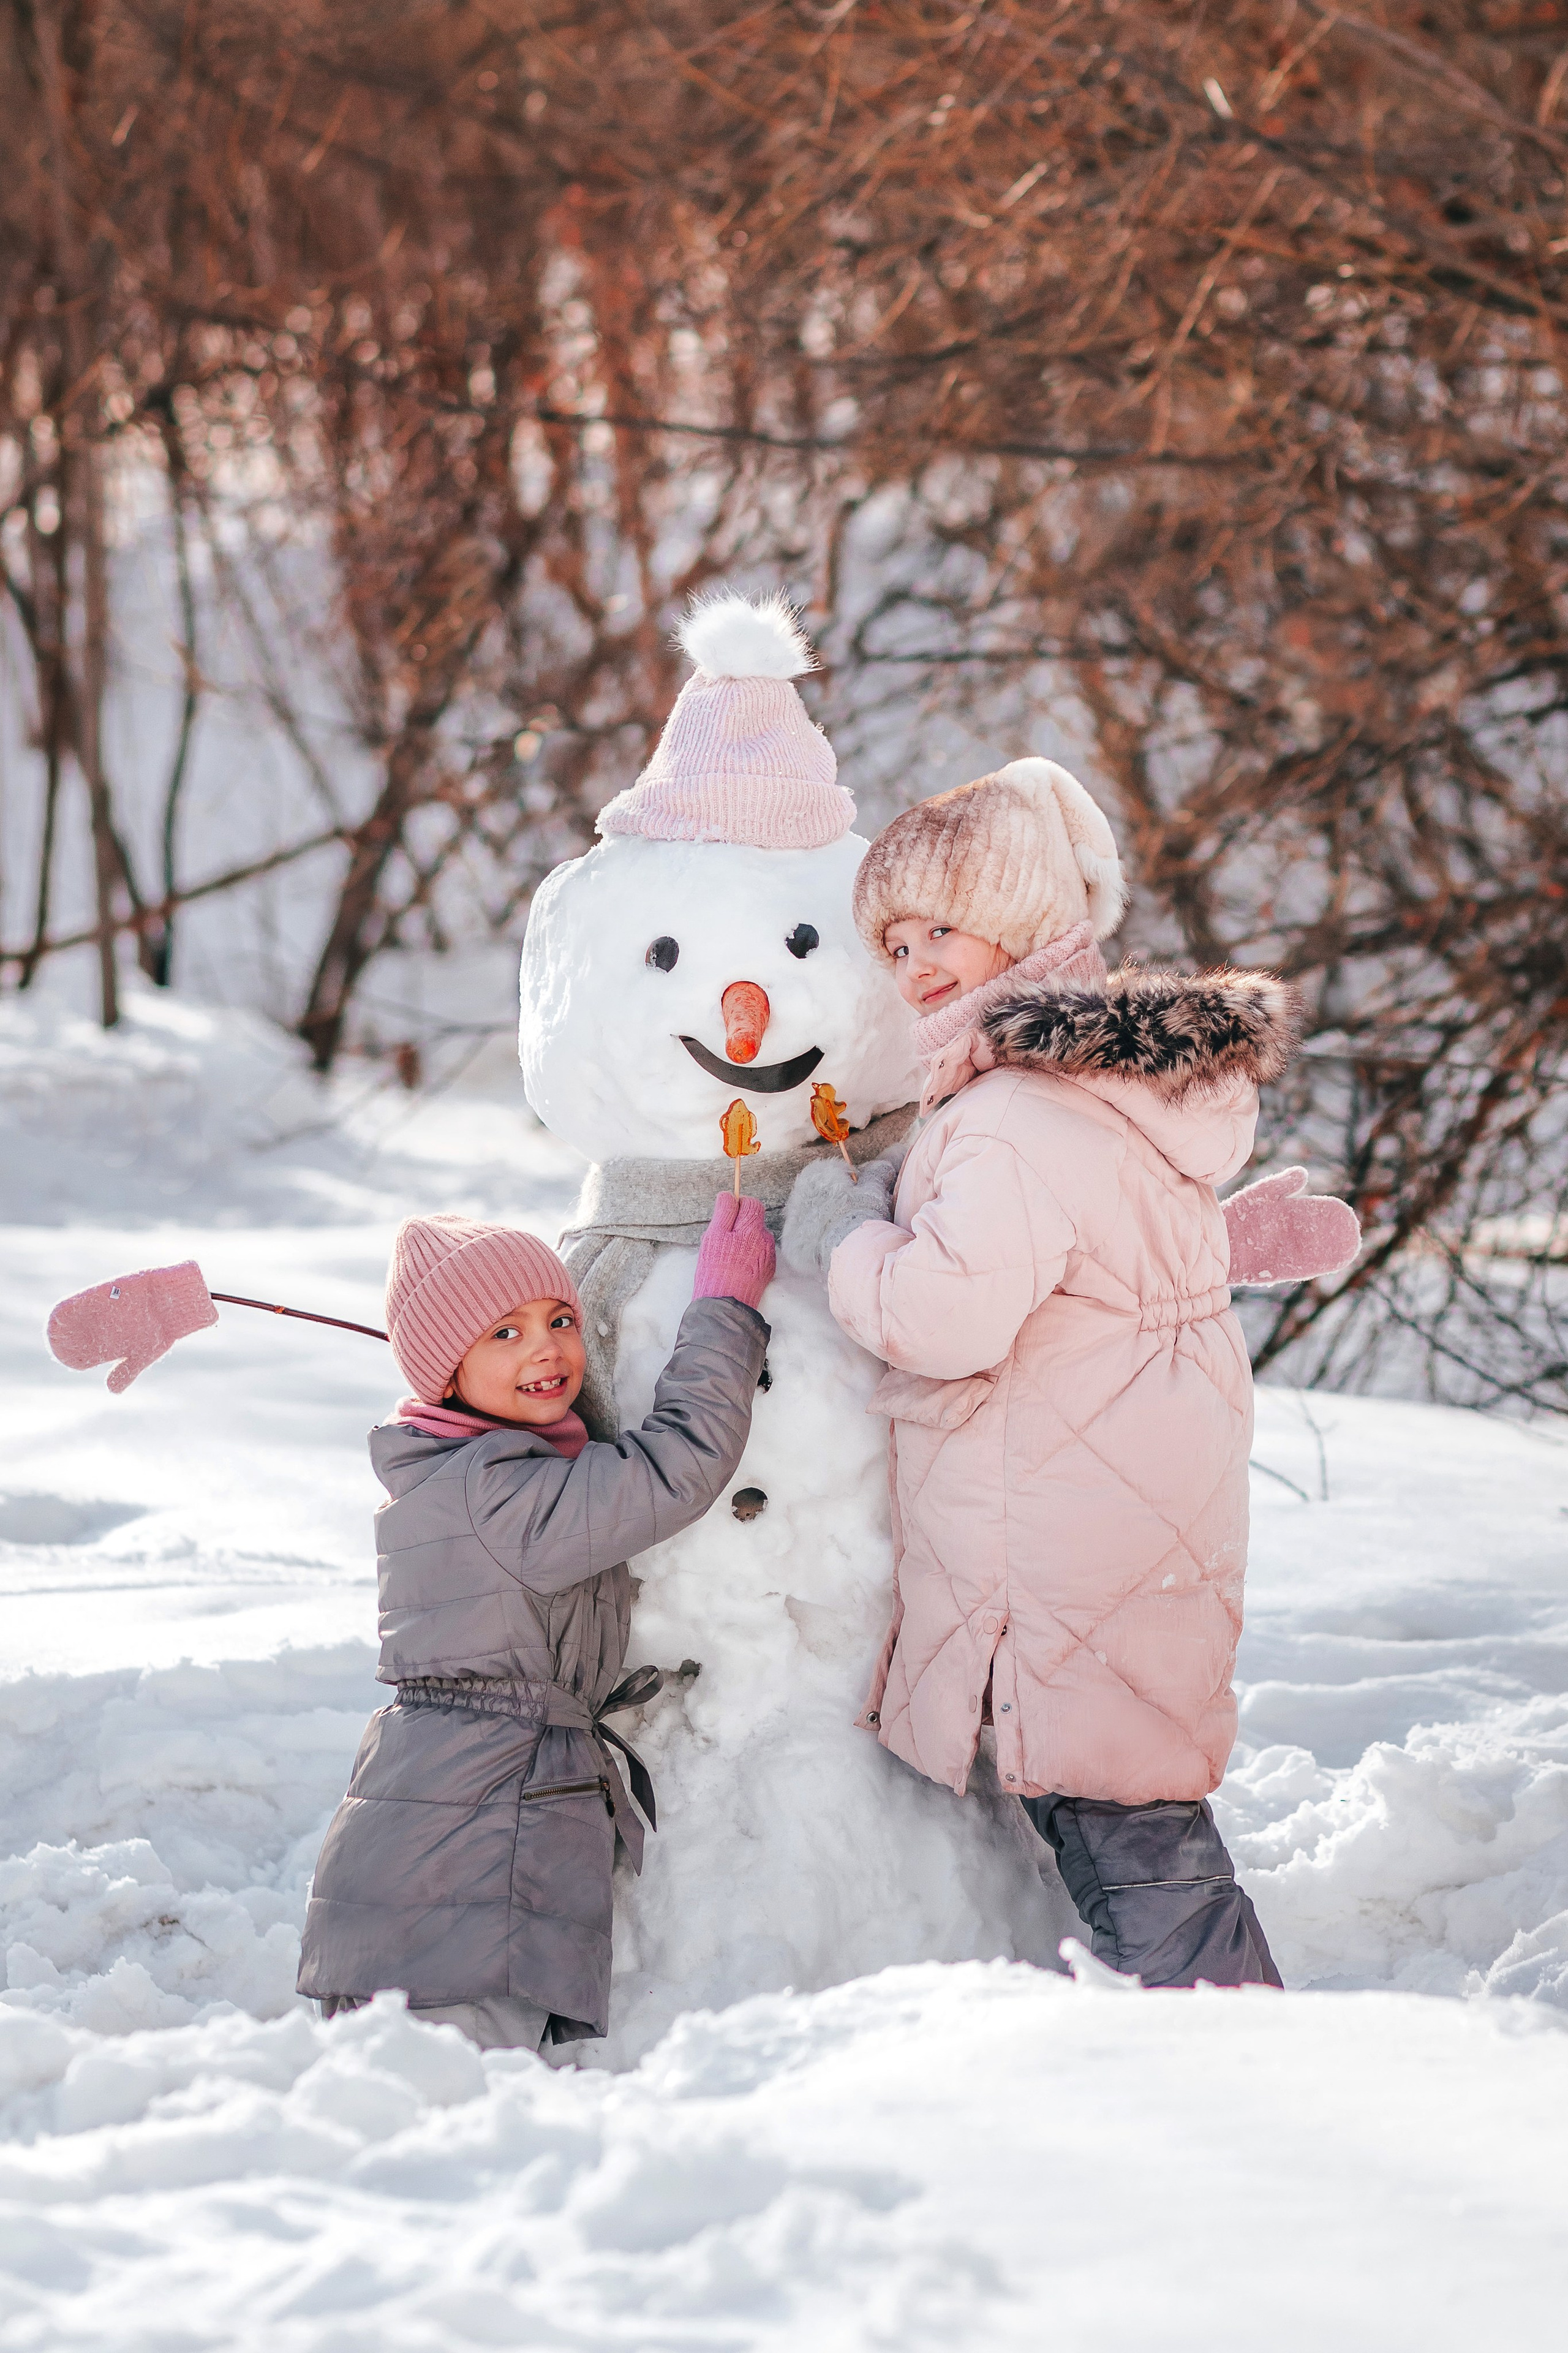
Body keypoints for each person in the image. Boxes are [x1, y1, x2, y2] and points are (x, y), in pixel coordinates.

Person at [783, 757, 1296, 1990]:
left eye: (940, 930)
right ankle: (1221, 2031)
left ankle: (1242, 2053)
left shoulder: (1010, 1114)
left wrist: (845, 1236)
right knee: (1128, 1802)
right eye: (891, 940)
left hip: (1070, 1532)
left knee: (1121, 1825)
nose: (911, 964)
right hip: (1122, 1501)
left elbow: (946, 1314)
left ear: (1018, 932)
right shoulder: (1101, 1088)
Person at [296, 1195, 774, 2050]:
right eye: (504, 1333)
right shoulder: (505, 1493)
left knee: (432, 2082)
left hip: (450, 1802)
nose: (548, 1346)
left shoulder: (461, 1471)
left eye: (559, 1318)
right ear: (446, 1371)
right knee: (462, 2087)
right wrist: (724, 1308)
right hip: (478, 1824)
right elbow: (674, 1466)